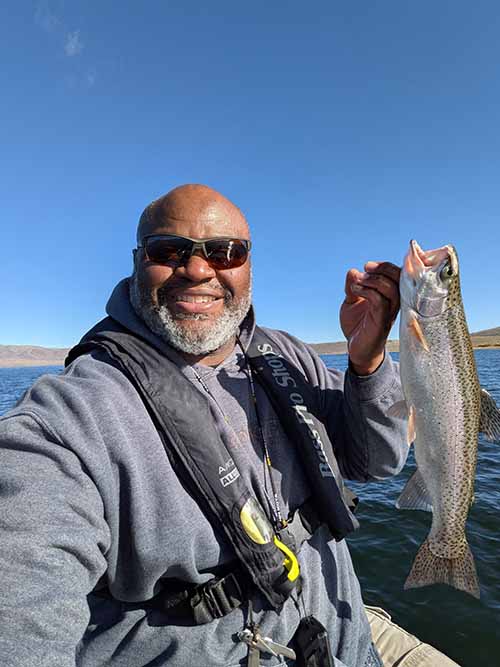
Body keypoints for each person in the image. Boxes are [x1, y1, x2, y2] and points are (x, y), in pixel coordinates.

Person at [0, 184, 459, 667]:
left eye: (225, 252)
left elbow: (378, 462)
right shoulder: (67, 422)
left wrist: (366, 362)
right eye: (169, 250)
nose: (198, 270)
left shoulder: (287, 356)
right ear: (138, 260)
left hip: (347, 638)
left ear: (247, 265)